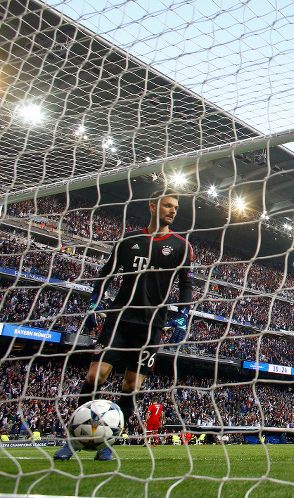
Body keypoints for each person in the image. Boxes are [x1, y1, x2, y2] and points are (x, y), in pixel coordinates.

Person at [54, 189, 194, 461]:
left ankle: (108, 443)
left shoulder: (181, 245)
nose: (173, 211)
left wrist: (183, 314)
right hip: (119, 318)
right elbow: (106, 273)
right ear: (153, 206)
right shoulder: (130, 239)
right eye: (167, 205)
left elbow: (186, 283)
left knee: (131, 386)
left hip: (152, 325)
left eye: (175, 207)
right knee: (95, 377)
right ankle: (75, 439)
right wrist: (96, 300)